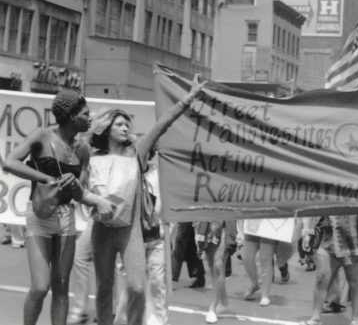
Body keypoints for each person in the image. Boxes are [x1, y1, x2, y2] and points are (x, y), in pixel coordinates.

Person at [87, 74, 206, 325]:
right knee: (104, 289)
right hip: (101, 229)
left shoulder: (138, 151)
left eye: (127, 124)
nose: (125, 128)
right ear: (107, 128)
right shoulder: (93, 155)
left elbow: (164, 122)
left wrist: (190, 96)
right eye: (119, 124)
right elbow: (82, 189)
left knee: (137, 288)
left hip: (131, 232)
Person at [4, 91, 114, 325]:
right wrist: (46, 178)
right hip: (39, 215)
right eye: (85, 114)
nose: (90, 118)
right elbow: (10, 162)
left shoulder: (83, 149)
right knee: (40, 287)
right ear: (73, 116)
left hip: (66, 218)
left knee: (61, 285)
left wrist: (74, 184)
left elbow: (80, 193)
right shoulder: (42, 136)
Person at [114, 147, 170, 325]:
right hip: (130, 236)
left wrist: (157, 225)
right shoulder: (124, 174)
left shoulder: (159, 174)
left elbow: (163, 204)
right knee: (128, 281)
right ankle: (123, 318)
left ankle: (159, 320)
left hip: (155, 235)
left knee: (156, 281)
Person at [300, 214, 358, 325]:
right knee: (321, 277)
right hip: (327, 238)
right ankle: (316, 317)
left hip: (350, 237)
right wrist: (308, 232)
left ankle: (356, 318)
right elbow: (316, 209)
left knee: (353, 280)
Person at [195, 220, 236, 324]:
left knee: (218, 264)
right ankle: (224, 302)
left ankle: (212, 308)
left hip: (225, 221)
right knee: (212, 266)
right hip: (206, 222)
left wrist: (241, 230)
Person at [236, 220, 279, 306]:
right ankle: (254, 284)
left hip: (269, 224)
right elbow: (241, 209)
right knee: (246, 257)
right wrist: (240, 230)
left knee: (265, 259)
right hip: (251, 225)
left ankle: (265, 294)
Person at [172, 221, 206, 288]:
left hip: (186, 213)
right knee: (189, 241)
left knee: (180, 240)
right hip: (187, 213)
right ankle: (197, 275)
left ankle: (173, 275)